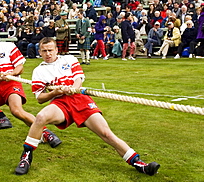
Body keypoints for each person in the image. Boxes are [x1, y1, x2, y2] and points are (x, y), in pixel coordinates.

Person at [14, 37, 160, 176]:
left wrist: (72, 88)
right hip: (60, 102)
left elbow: (78, 79)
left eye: (50, 50)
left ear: (56, 50)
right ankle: (26, 156)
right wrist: (55, 92)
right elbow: (40, 98)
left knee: (106, 133)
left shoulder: (69, 59)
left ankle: (139, 164)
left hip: (80, 99)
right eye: (44, 51)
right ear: (39, 52)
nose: (48, 54)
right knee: (40, 117)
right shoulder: (39, 71)